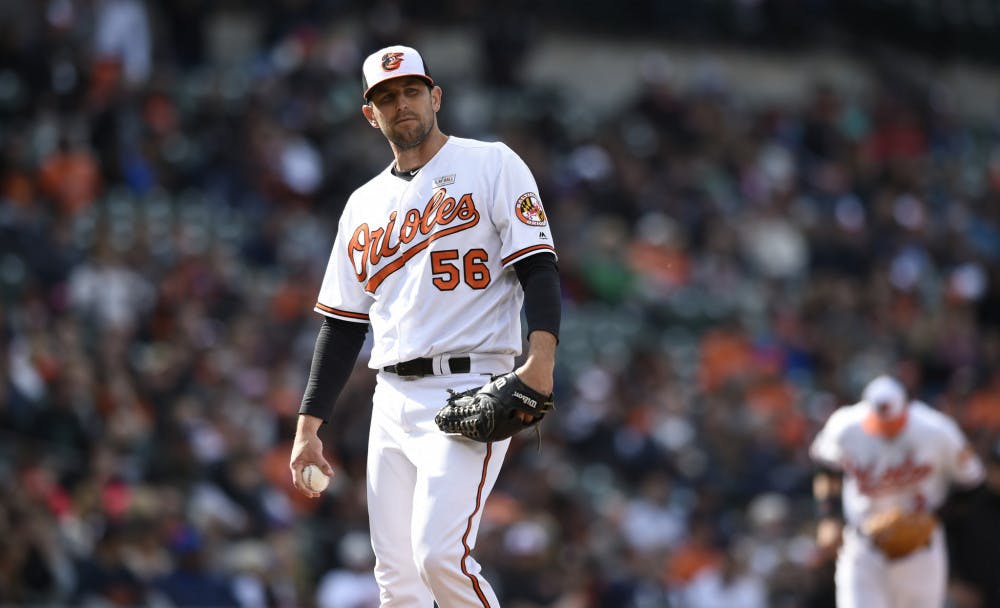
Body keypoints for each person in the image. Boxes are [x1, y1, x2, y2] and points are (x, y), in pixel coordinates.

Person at [288, 44, 560, 607]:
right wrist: (308, 427)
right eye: (386, 97)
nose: (401, 103)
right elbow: (342, 325)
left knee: (439, 555)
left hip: (470, 383)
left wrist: (541, 362)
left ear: (435, 96)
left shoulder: (491, 163)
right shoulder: (363, 204)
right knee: (398, 582)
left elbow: (538, 266)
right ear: (371, 114)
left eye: (411, 91)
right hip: (390, 396)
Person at [809, 375, 985, 608]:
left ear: (906, 409)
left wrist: (934, 519)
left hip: (920, 550)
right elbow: (826, 468)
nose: (886, 429)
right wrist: (828, 518)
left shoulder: (936, 430)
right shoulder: (845, 426)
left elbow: (973, 484)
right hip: (863, 546)